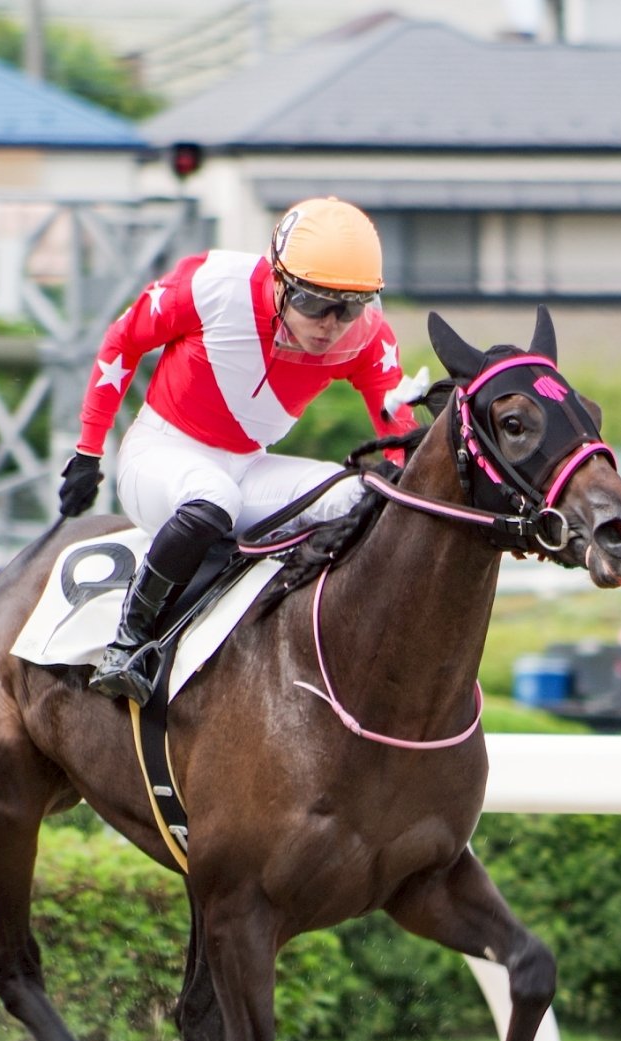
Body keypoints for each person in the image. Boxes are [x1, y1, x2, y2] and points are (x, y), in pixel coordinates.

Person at [57, 196, 429, 705]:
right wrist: (89, 450)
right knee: (214, 498)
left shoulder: (367, 338)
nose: (330, 324)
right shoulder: (210, 284)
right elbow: (123, 341)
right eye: (314, 302)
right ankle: (128, 644)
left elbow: (397, 433)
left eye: (349, 307)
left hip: (248, 465)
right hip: (161, 453)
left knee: (360, 496)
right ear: (278, 279)